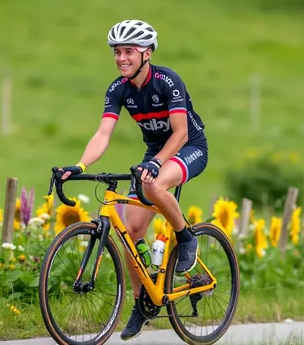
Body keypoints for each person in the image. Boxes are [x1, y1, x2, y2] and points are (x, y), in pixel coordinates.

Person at [57, 19, 209, 340]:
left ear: (147, 53)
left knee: (154, 185)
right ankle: (143, 302)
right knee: (132, 229)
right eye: (116, 52)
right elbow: (103, 133)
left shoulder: (168, 81)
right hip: (154, 154)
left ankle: (186, 237)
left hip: (187, 148)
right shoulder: (118, 89)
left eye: (128, 51)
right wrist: (81, 165)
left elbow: (180, 133)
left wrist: (155, 163)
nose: (121, 58)